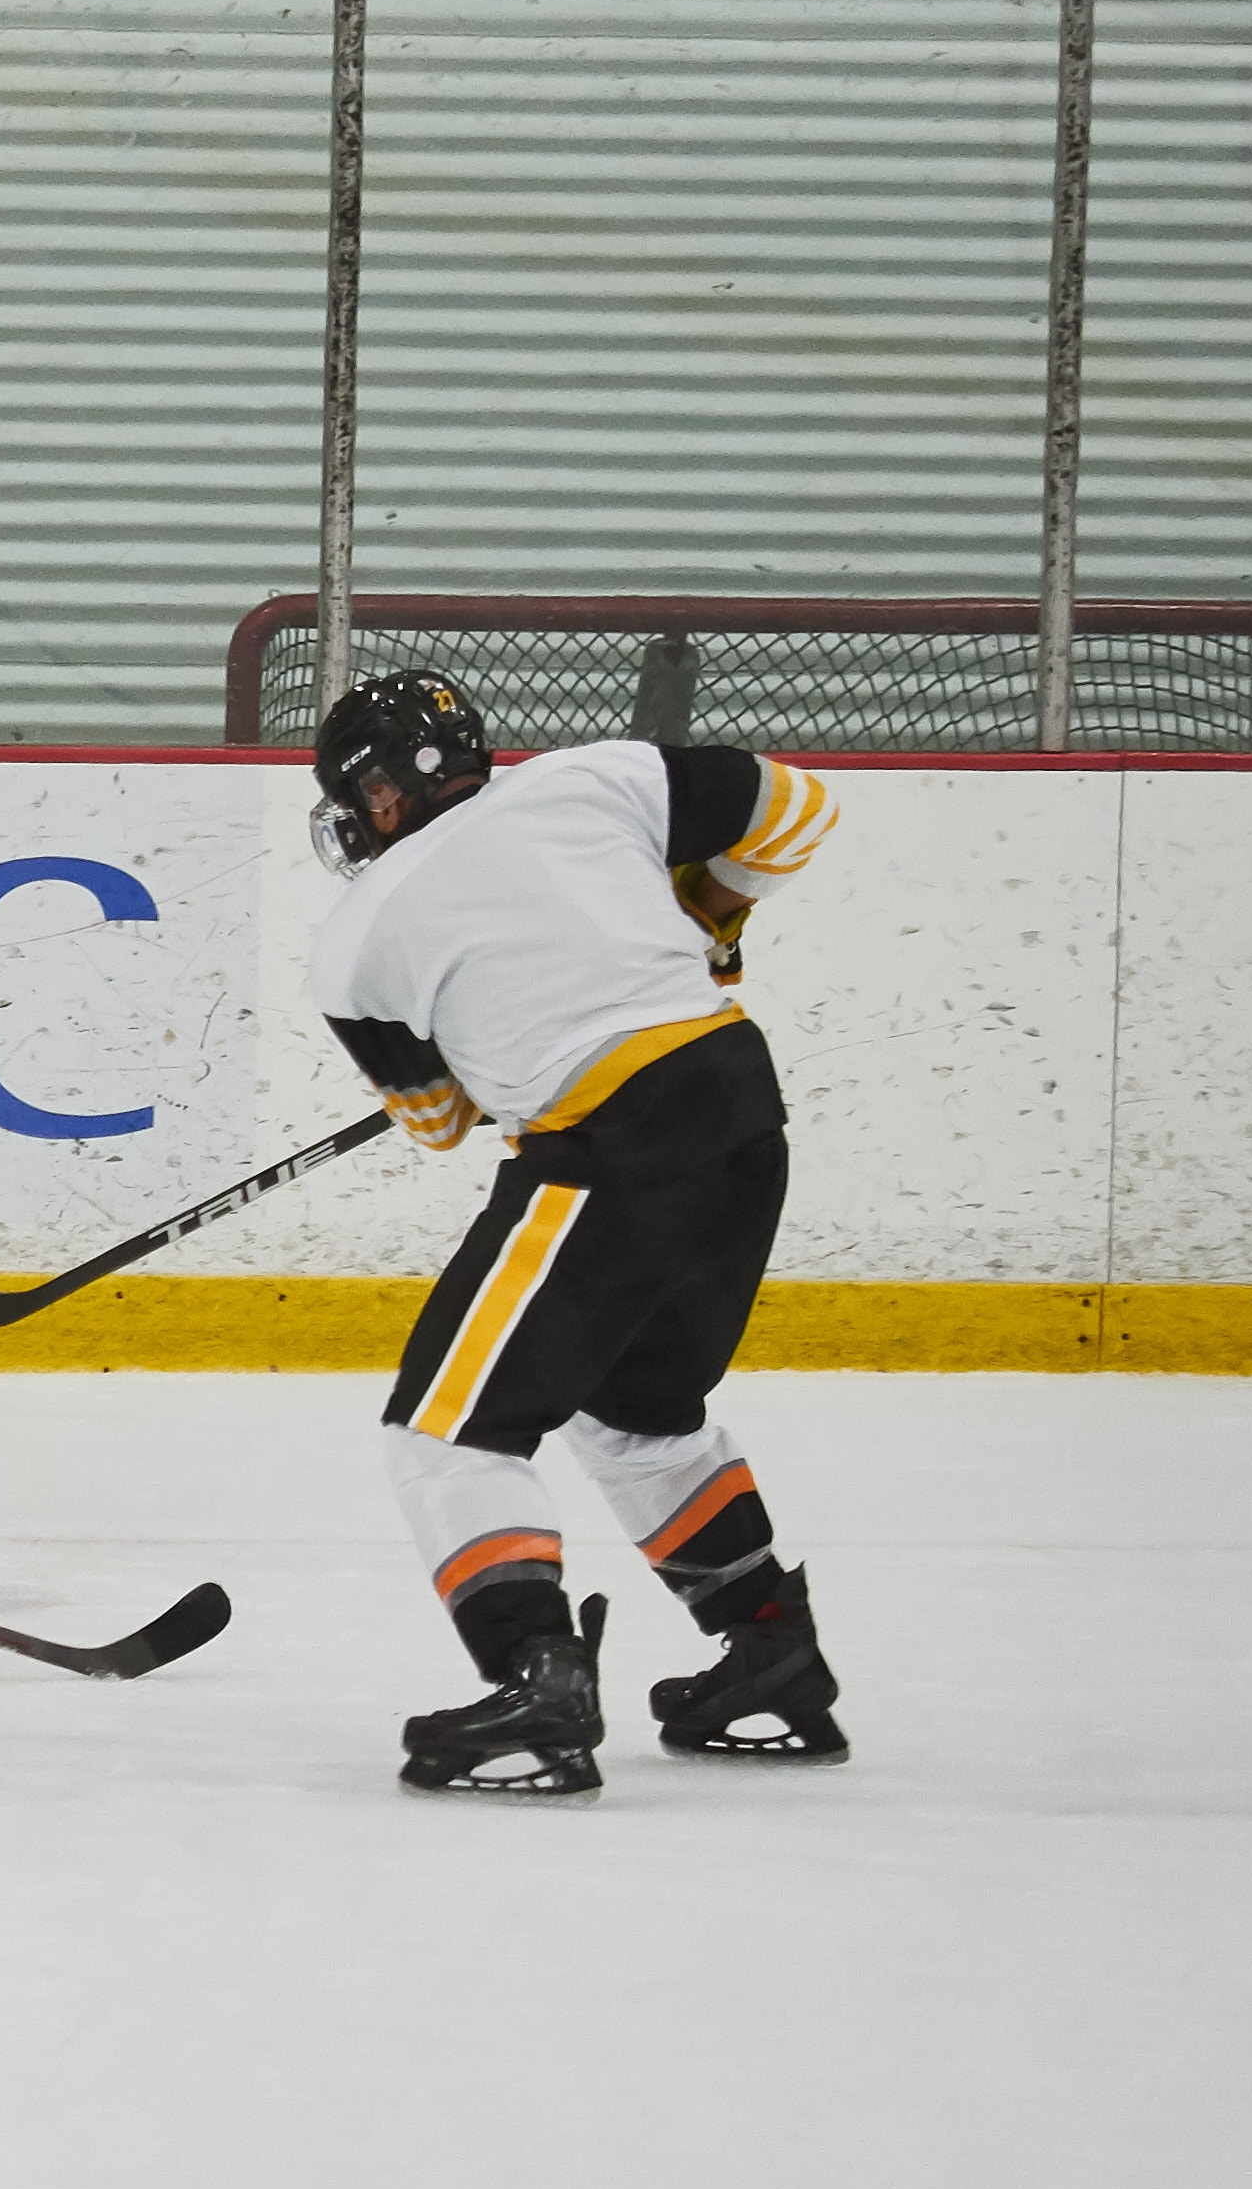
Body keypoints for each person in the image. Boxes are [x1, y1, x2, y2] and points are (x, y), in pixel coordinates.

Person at [307, 669, 850, 1795]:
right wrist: (707, 913)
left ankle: (537, 1676)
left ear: (380, 795)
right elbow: (801, 808)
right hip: (742, 1114)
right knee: (635, 1413)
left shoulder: (355, 938)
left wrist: (475, 1033)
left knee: (446, 1434)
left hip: (614, 1148)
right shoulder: (598, 778)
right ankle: (768, 1645)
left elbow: (439, 1123)